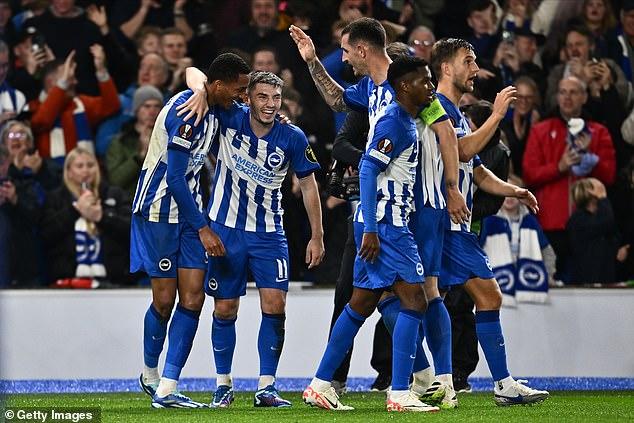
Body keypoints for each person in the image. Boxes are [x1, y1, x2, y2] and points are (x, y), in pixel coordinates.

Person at [290, 18, 468, 407]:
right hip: (388, 215)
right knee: (417, 298)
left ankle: (325, 384)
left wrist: (451, 188)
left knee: (366, 302)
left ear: (364, 50)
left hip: (412, 207)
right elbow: (351, 126)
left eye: (346, 50)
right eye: (426, 82)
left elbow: (447, 133)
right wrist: (311, 61)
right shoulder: (387, 101)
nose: (344, 57)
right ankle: (410, 387)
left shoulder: (410, 91)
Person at [182, 69, 325, 408]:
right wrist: (202, 92)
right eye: (262, 97)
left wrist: (316, 235)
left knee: (275, 306)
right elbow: (193, 73)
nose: (270, 105)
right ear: (247, 97)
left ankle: (267, 386)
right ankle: (223, 384)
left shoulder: (293, 137)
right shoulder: (230, 116)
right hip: (225, 230)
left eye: (276, 98)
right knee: (225, 307)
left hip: (269, 234)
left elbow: (308, 186)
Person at [430, 36, 549, 405]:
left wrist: (516, 191)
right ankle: (491, 383)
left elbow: (476, 170)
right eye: (469, 61)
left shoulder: (456, 113)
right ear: (447, 67)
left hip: (451, 224)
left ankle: (434, 380)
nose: (476, 69)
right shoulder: (436, 109)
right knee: (474, 297)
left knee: (424, 302)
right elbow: (463, 150)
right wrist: (497, 115)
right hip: (440, 223)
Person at [131, 52, 250, 409]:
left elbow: (193, 70)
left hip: (190, 214)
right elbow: (175, 180)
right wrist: (204, 230)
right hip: (159, 210)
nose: (242, 96)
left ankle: (167, 388)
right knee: (165, 301)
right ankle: (150, 375)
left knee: (194, 299)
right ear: (218, 85)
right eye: (239, 89)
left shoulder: (212, 102)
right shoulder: (188, 114)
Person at [523, 75, 616, 282]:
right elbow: (529, 174)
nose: (567, 97)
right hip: (550, 223)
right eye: (563, 92)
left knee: (589, 285)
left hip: (589, 223)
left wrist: (592, 160)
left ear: (584, 97)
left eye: (573, 92)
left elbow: (609, 175)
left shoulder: (598, 132)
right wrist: (559, 167)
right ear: (557, 96)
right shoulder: (540, 131)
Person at [39, 146, 133, 285]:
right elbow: (46, 234)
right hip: (68, 279)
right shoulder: (55, 198)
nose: (86, 170)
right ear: (69, 171)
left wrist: (102, 217)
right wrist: (75, 210)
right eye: (79, 166)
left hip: (113, 279)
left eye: (90, 165)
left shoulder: (115, 194)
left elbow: (131, 230)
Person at [29, 47, 120, 163]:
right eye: (68, 78)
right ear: (51, 83)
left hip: (87, 173)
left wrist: (101, 71)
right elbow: (42, 121)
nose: (75, 82)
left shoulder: (80, 104)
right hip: (52, 177)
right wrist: (62, 85)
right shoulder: (34, 107)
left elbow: (111, 106)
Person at [105, 85, 163, 197]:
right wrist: (140, 155)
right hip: (130, 203)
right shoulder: (120, 141)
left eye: (156, 106)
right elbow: (116, 180)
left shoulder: (167, 138)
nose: (152, 112)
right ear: (136, 109)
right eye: (147, 106)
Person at [567, 177, 620, 284]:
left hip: (604, 277)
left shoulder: (595, 217)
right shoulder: (579, 220)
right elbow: (605, 222)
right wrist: (603, 198)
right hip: (588, 280)